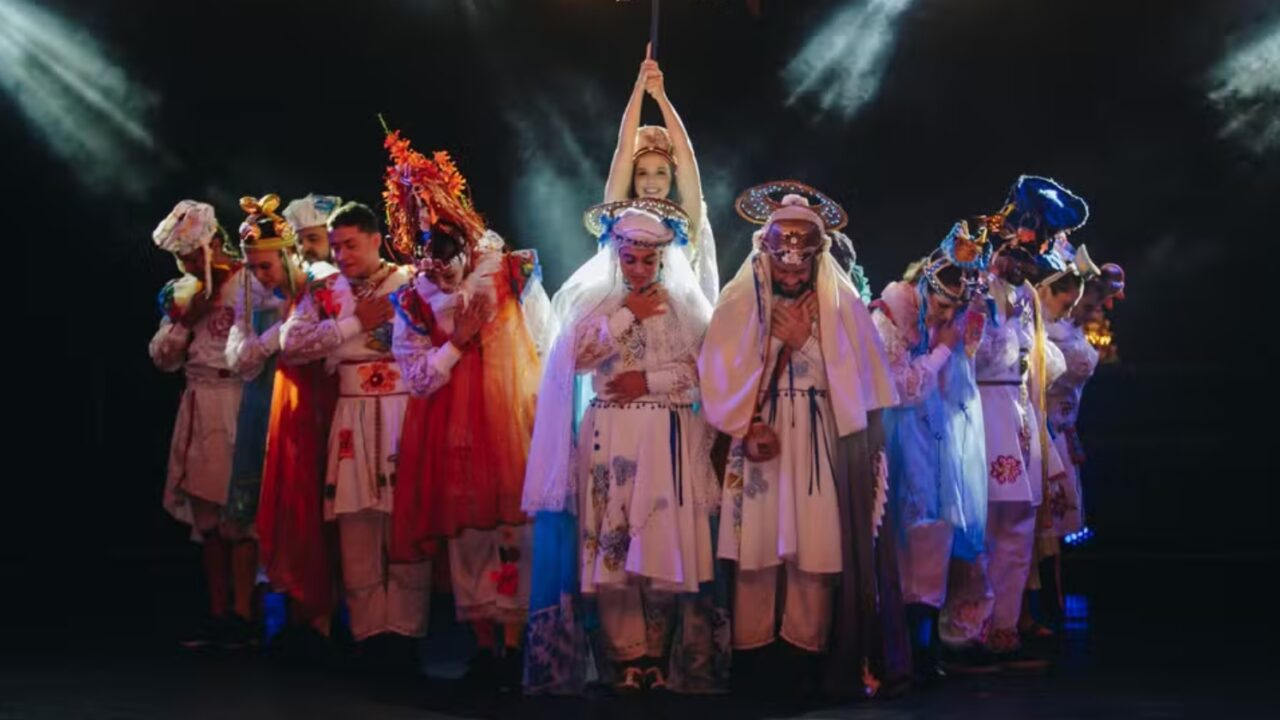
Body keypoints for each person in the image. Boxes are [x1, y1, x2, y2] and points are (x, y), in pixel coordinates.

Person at [698, 182, 906, 697]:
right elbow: (719, 371)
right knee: (757, 551)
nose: (791, 273)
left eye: (800, 266)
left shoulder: (844, 304)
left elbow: (861, 381)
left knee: (812, 549)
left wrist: (805, 342)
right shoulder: (737, 300)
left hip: (816, 437)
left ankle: (802, 658)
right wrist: (772, 350)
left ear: (816, 259)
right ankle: (753, 660)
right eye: (783, 265)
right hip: (760, 436)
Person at [523, 199, 726, 694]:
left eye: (648, 259)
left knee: (657, 544)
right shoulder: (596, 302)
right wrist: (624, 318)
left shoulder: (685, 307)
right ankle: (623, 658)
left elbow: (703, 377)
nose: (638, 268)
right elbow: (571, 363)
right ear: (615, 254)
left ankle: (656, 655)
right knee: (612, 548)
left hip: (665, 437)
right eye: (629, 258)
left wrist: (647, 380)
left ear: (662, 257)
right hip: (609, 434)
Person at [381, 129, 551, 690]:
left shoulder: (511, 272)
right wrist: (460, 340)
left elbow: (544, 342)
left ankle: (515, 641)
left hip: (509, 427)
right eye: (421, 215)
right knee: (468, 541)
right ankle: (486, 645)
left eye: (439, 207)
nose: (433, 222)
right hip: (451, 435)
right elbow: (420, 378)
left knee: (513, 536)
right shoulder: (412, 299)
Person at [280, 201, 423, 669]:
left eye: (350, 245)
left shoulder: (410, 282)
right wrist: (353, 322)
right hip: (352, 415)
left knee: (404, 524)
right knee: (357, 525)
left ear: (376, 240)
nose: (341, 255)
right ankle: (368, 633)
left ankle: (403, 634)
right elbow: (292, 346)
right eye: (336, 246)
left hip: (403, 412)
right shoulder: (323, 290)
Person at [869, 219, 992, 683]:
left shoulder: (945, 323)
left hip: (932, 433)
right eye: (940, 304)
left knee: (935, 530)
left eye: (952, 309)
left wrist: (951, 347)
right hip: (897, 436)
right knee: (904, 530)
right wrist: (940, 352)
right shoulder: (891, 312)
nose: (943, 316)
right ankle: (895, 647)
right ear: (925, 287)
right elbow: (896, 387)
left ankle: (926, 645)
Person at [149, 199, 249, 647]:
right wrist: (183, 321)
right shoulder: (183, 292)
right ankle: (218, 612)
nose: (188, 263)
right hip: (203, 400)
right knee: (208, 518)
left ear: (213, 242)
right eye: (182, 258)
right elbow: (161, 359)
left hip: (243, 398)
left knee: (242, 515)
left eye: (193, 254)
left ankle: (245, 614)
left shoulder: (252, 279)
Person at [603, 45, 718, 304]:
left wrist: (660, 97)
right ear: (632, 178)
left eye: (660, 172)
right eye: (642, 172)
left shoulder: (686, 220)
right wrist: (639, 87)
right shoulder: (618, 216)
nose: (651, 181)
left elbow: (687, 155)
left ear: (672, 178)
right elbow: (623, 148)